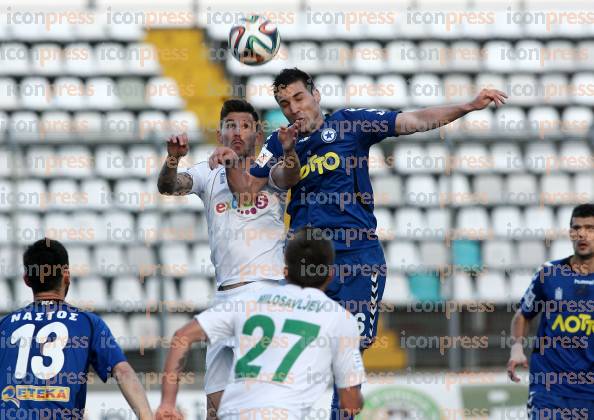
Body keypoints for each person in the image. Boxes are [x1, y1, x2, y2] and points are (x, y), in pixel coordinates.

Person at [209, 67, 508, 419]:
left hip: (356, 256)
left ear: (315, 95)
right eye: (284, 103)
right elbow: (247, 192)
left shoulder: (350, 124)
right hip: (307, 262)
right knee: (298, 351)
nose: (293, 108)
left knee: (350, 349)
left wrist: (467, 106)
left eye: (299, 98)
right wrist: (230, 163)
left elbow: (412, 120)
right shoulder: (278, 144)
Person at [157, 99, 290, 419]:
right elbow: (168, 186)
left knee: (262, 402)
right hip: (225, 295)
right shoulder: (206, 172)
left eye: (245, 125)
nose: (238, 132)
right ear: (219, 133)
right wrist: (173, 161)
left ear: (258, 134)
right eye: (230, 125)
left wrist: (232, 163)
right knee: (215, 406)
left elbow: (249, 190)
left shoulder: (270, 169)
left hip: (266, 289)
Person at [155, 227, 365, 420]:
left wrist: (167, 404)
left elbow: (182, 337)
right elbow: (349, 403)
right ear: (330, 274)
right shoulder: (339, 318)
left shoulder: (248, 302)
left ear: (285, 272)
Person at [0, 239, 152, 419]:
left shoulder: (6, 324)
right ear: (66, 275)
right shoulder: (88, 323)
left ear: (26, 280)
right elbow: (123, 371)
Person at [507, 203, 594, 419]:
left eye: (590, 228)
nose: (581, 234)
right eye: (576, 228)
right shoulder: (549, 273)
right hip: (549, 388)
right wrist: (517, 348)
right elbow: (523, 315)